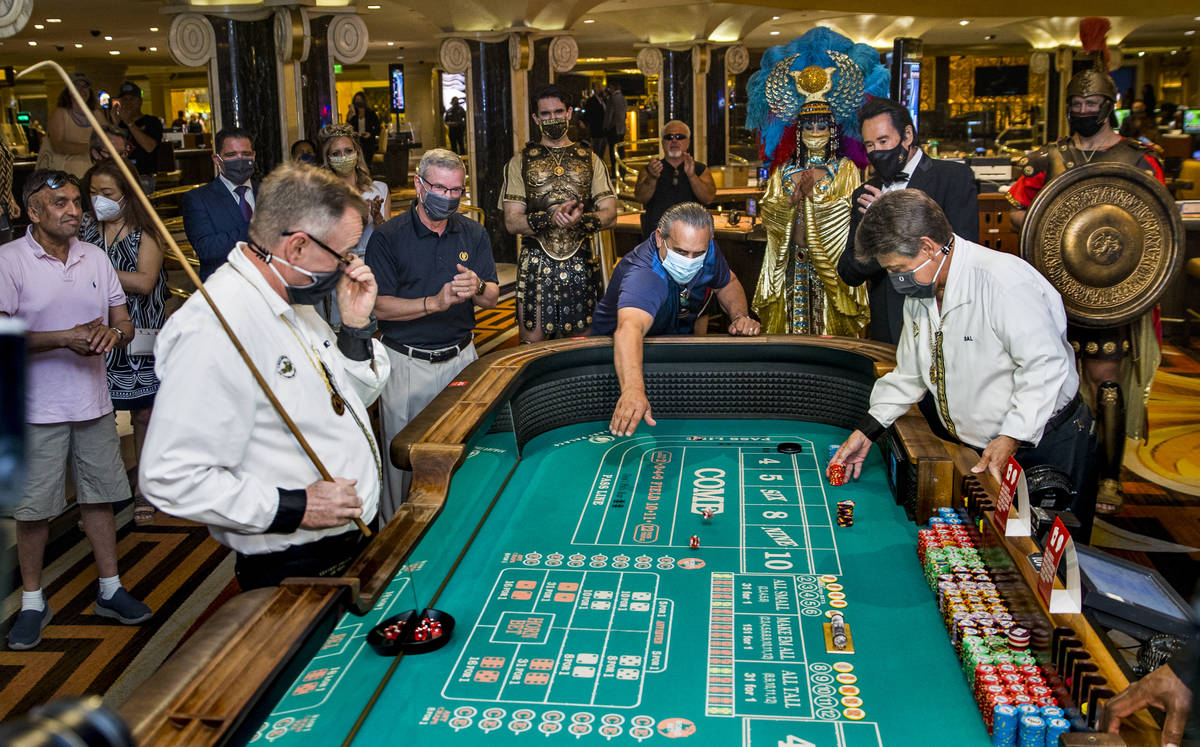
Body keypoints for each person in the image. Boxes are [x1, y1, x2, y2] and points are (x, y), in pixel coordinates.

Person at [140, 163, 389, 591]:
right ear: (295, 248)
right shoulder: (216, 327)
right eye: (343, 253)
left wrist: (354, 326)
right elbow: (169, 476)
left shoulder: (290, 295)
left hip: (349, 538)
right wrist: (296, 506)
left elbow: (348, 401)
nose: (349, 266)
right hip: (293, 562)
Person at [828, 190, 1095, 531]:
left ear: (927, 247)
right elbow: (910, 373)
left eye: (898, 269)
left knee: (1051, 567)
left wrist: (1012, 436)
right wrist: (867, 431)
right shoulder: (922, 291)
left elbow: (1044, 367)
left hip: (1044, 445)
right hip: (984, 449)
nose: (896, 280)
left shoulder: (1003, 281)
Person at [1007, 17, 1165, 516]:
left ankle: (1110, 477)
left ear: (1108, 105)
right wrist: (1047, 224)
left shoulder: (1138, 160)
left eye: (1090, 104)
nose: (1081, 111)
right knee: (1043, 375)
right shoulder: (1046, 158)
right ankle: (1051, 465)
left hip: (1110, 288)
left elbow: (1156, 227)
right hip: (1053, 284)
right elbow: (1016, 209)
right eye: (1074, 105)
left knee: (1106, 380)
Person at [0, 169, 153, 650]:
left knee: (100, 497)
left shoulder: (96, 257)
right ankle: (31, 601)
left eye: (75, 202)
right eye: (61, 203)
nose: (74, 210)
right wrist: (64, 338)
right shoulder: (9, 260)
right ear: (34, 212)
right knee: (35, 510)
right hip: (34, 407)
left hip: (93, 401)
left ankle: (110, 589)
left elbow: (123, 320)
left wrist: (115, 335)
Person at [366, 148, 498, 517]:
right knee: (402, 464)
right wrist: (433, 303)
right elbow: (378, 307)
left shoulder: (473, 232)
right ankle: (396, 540)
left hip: (462, 361)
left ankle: (456, 527)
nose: (449, 197)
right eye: (440, 188)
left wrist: (477, 286)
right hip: (406, 363)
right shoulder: (388, 237)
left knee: (462, 454)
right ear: (419, 186)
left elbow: (491, 298)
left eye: (457, 190)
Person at [593, 202, 760, 437]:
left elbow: (727, 283)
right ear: (660, 238)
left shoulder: (708, 250)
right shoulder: (645, 275)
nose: (690, 260)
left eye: (698, 253)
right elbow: (628, 329)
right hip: (617, 361)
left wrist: (740, 316)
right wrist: (632, 389)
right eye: (681, 252)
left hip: (669, 350)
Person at [749, 45, 876, 337]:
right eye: (809, 126)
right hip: (791, 261)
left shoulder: (844, 169)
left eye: (822, 127)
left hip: (830, 270)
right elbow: (769, 213)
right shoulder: (784, 171)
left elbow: (847, 213)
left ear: (832, 131)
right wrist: (791, 202)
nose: (815, 133)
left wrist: (813, 199)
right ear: (799, 131)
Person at [838, 97, 979, 344]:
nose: (876, 151)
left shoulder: (953, 178)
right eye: (870, 145)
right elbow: (850, 271)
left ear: (907, 135)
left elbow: (961, 254)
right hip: (889, 329)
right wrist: (875, 232)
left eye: (883, 141)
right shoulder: (864, 194)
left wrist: (888, 219)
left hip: (942, 318)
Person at [80, 158, 168, 526]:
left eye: (107, 193)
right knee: (98, 415)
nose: (99, 200)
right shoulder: (84, 227)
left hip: (139, 334)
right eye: (93, 193)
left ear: (127, 195)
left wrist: (96, 271)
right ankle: (105, 491)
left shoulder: (144, 232)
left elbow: (145, 281)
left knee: (144, 412)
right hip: (92, 331)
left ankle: (145, 487)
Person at [501, 84, 617, 343]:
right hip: (535, 264)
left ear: (569, 113)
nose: (552, 118)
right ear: (535, 118)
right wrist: (549, 218)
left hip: (581, 262)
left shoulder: (590, 159)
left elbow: (610, 214)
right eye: (545, 114)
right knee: (532, 349)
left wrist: (582, 220)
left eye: (558, 111)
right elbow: (511, 221)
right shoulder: (519, 162)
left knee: (582, 348)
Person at [182, 127, 257, 280]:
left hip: (271, 285)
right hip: (225, 287)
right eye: (231, 155)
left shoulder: (271, 193)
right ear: (217, 159)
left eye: (246, 154)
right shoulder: (198, 199)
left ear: (253, 156)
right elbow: (207, 249)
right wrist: (258, 229)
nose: (240, 160)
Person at [634, 120, 717, 240]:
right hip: (657, 237)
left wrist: (692, 176)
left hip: (692, 236)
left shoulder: (700, 170)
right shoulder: (650, 169)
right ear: (662, 143)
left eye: (679, 137)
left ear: (688, 142)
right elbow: (640, 198)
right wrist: (652, 178)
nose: (674, 141)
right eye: (669, 137)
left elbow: (708, 198)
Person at [319, 124, 388, 256]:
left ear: (357, 154)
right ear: (328, 159)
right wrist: (358, 222)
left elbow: (390, 241)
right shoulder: (324, 196)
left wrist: (377, 219)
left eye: (348, 151)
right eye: (336, 153)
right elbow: (323, 246)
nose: (343, 157)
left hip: (377, 262)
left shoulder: (379, 189)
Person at [35, 72, 103, 178]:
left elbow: (107, 139)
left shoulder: (97, 114)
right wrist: (91, 147)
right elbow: (58, 146)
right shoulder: (61, 114)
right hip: (65, 176)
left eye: (85, 86)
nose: (82, 90)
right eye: (77, 86)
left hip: (92, 175)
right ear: (69, 91)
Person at [112, 82, 163, 194]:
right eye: (125, 100)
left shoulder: (152, 122)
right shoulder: (118, 124)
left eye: (132, 99)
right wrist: (114, 125)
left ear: (140, 101)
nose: (128, 103)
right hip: (120, 177)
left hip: (142, 177)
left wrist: (130, 123)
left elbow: (149, 147)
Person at [346, 91, 382, 166]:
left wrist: (370, 134)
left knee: (367, 161)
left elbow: (378, 128)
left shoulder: (370, 113)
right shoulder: (353, 113)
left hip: (368, 142)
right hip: (356, 141)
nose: (358, 103)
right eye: (356, 101)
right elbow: (347, 127)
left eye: (360, 100)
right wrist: (350, 116)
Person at [601, 83, 627, 171]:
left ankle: (615, 171)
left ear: (612, 88)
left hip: (614, 128)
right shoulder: (623, 98)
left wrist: (605, 127)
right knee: (621, 151)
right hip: (622, 128)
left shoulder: (612, 98)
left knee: (613, 152)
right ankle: (622, 170)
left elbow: (609, 115)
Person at [0, 126, 16, 244]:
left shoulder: (3, 146)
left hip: (5, 207)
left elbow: (5, 179)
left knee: (5, 248)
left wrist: (11, 199)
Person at [581, 88, 607, 162]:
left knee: (602, 151)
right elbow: (588, 113)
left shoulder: (604, 100)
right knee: (596, 150)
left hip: (604, 130)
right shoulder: (591, 101)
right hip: (596, 129)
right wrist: (584, 122)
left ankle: (601, 165)